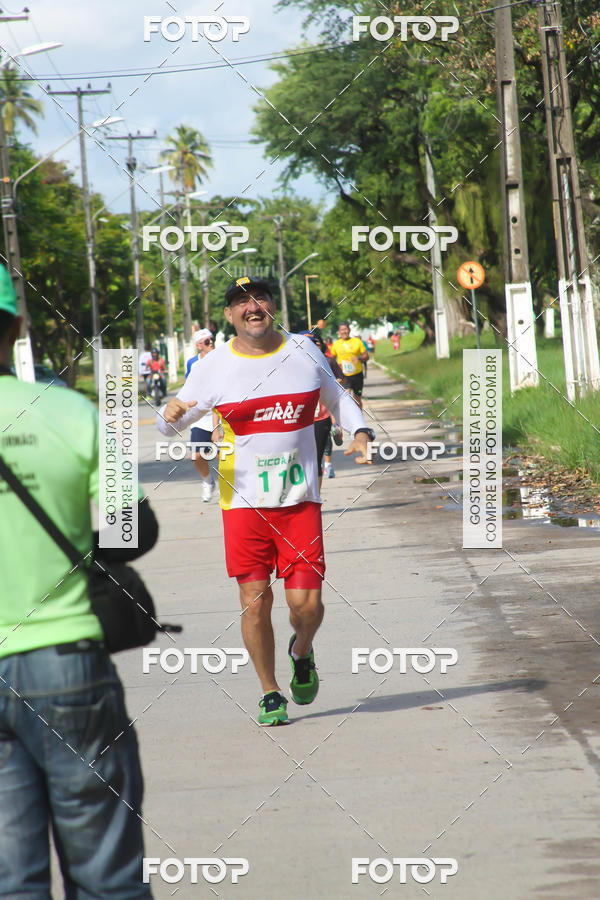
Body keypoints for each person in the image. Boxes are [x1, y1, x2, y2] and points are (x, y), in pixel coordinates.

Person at [0, 264, 158, 898]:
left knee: (12, 881)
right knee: (107, 878)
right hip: (69, 664)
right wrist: (71, 549)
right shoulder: (69, 412)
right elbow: (133, 533)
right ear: (15, 325)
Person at [157, 276, 374, 726]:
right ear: (229, 315)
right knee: (255, 602)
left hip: (299, 502)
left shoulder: (303, 349)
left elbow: (336, 396)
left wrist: (359, 431)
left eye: (260, 299)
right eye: (241, 302)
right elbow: (172, 422)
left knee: (306, 607)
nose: (252, 308)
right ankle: (270, 691)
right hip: (243, 505)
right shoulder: (212, 366)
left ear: (273, 305)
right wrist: (170, 414)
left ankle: (302, 650)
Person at [185, 329, 217, 501]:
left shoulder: (221, 358)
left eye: (212, 339)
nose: (211, 342)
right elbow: (188, 388)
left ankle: (229, 486)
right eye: (207, 341)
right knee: (196, 456)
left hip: (220, 415)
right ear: (198, 346)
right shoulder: (192, 363)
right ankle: (208, 482)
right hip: (201, 417)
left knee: (224, 454)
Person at [330, 323, 369, 408]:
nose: (344, 331)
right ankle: (347, 419)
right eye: (342, 330)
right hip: (343, 375)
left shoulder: (357, 342)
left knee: (357, 399)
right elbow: (331, 359)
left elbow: (366, 356)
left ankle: (358, 418)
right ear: (339, 332)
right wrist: (336, 366)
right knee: (345, 397)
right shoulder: (336, 344)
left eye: (345, 329)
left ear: (349, 330)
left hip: (357, 374)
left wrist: (358, 358)